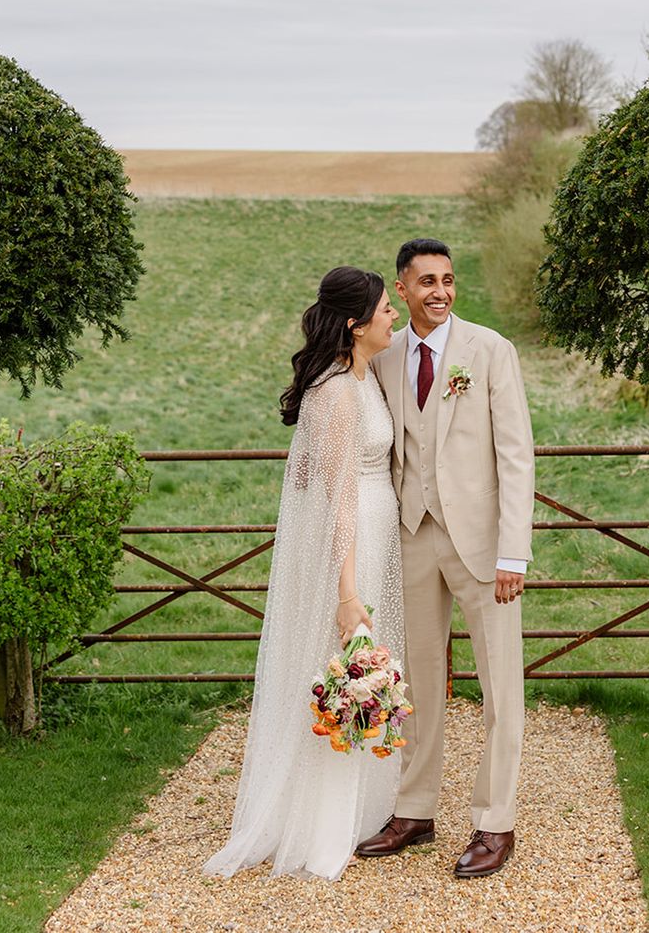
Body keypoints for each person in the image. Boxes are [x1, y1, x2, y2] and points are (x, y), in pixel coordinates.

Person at [204, 266, 404, 882]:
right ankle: (322, 816)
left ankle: (359, 800)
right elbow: (337, 490)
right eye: (386, 308)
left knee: (355, 666)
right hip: (355, 541)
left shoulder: (360, 378)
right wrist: (347, 593)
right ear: (355, 323)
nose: (394, 314)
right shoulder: (338, 392)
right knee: (342, 659)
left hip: (375, 527)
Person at [358, 238, 534, 878]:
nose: (440, 291)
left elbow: (516, 456)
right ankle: (415, 807)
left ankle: (495, 821)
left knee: (500, 689)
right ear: (401, 291)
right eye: (426, 281)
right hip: (413, 535)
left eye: (448, 280)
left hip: (485, 544)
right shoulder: (384, 356)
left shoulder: (489, 351)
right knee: (417, 684)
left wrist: (515, 552)